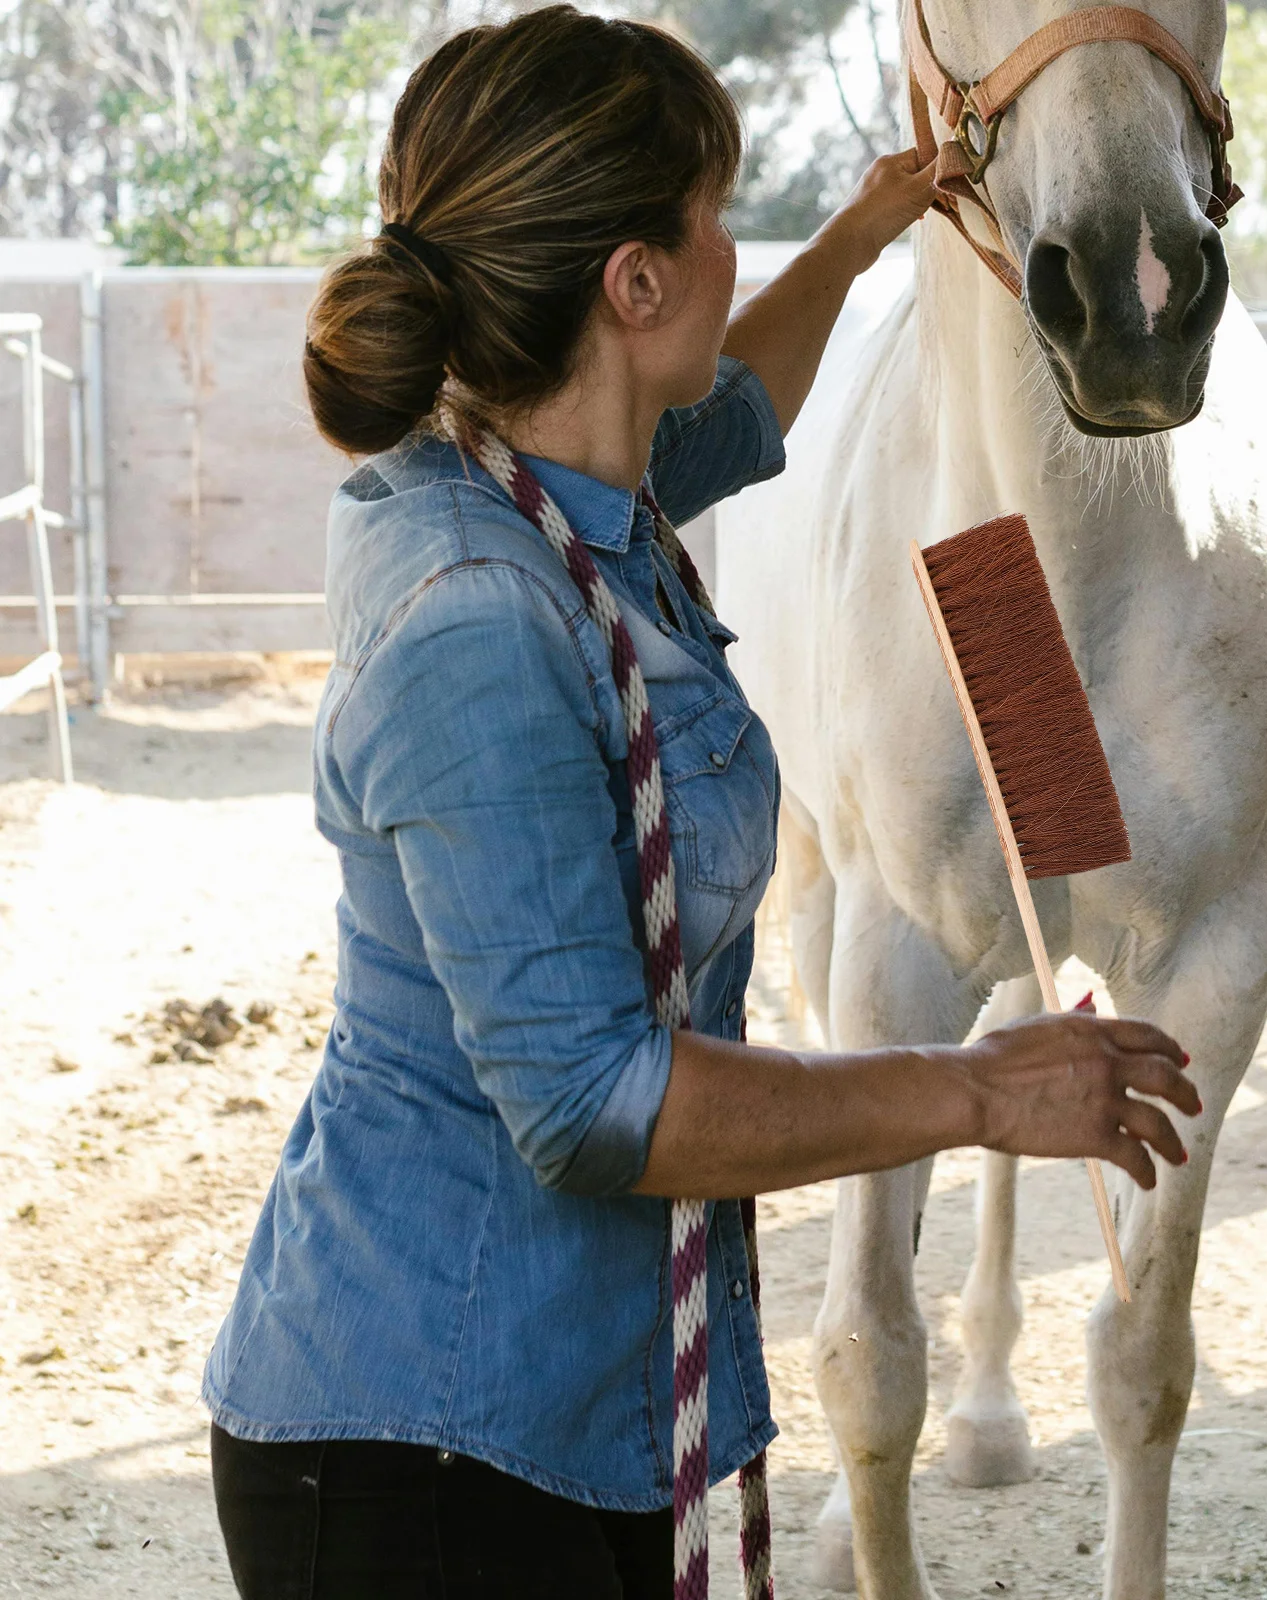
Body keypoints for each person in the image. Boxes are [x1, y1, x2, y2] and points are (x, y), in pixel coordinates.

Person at [202, 9, 1200, 1598]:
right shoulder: (478, 611)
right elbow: (599, 1103)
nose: (743, 255)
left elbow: (744, 403)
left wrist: (877, 225)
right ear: (634, 285)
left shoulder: (560, 486)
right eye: (718, 222)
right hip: (420, 1457)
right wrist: (977, 1091)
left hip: (554, 1417)